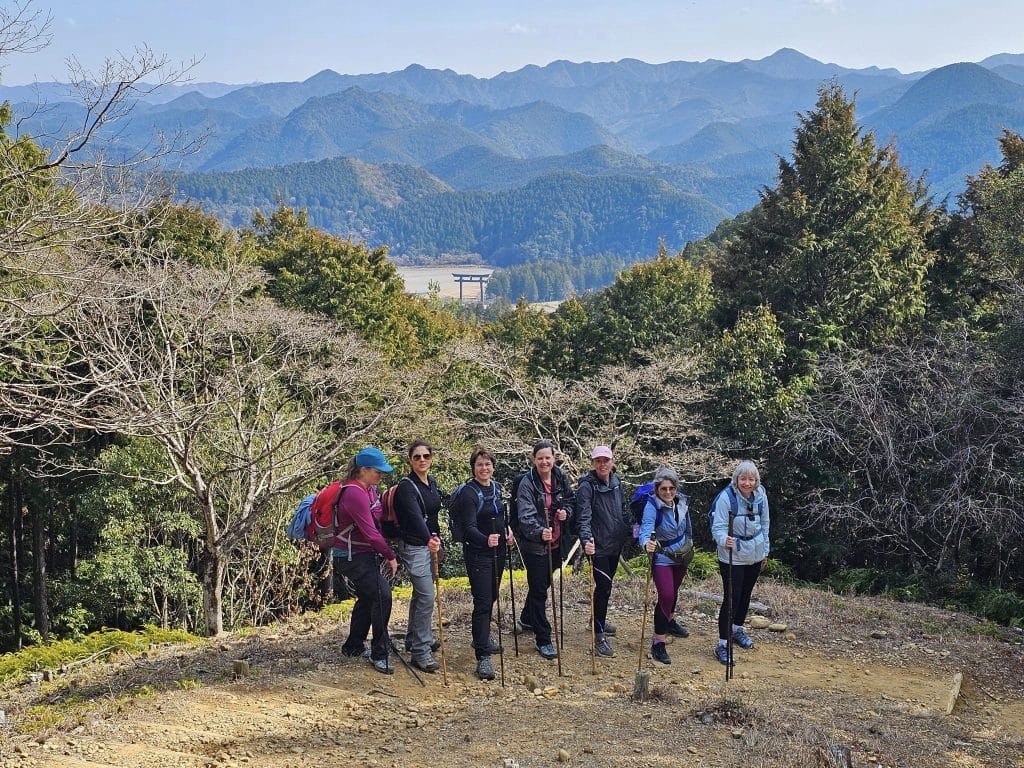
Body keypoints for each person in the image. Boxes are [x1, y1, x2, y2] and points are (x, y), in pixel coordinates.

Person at [331, 446, 399, 674]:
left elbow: (376, 517)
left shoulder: (368, 488)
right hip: (351, 556)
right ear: (364, 469)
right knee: (382, 595)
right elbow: (370, 532)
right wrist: (390, 556)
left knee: (369, 596)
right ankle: (380, 653)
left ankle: (353, 646)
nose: (381, 475)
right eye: (377, 471)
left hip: (362, 553)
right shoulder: (354, 493)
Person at [450, 446, 514, 680]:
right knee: (483, 601)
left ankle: (483, 636)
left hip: (497, 552)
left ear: (493, 467)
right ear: (473, 468)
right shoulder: (469, 493)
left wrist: (507, 531)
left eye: (487, 464)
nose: (484, 468)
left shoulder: (496, 488)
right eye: (479, 465)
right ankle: (483, 656)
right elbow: (468, 529)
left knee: (493, 596)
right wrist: (486, 539)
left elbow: (500, 517)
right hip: (478, 554)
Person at [515, 439, 575, 660]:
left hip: (558, 542)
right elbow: (525, 515)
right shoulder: (527, 483)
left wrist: (565, 512)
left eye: (547, 457)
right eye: (540, 458)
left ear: (554, 458)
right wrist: (540, 531)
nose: (544, 461)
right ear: (534, 459)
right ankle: (543, 638)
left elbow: (570, 500)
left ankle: (527, 617)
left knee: (544, 583)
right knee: (539, 590)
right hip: (535, 545)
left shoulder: (560, 476)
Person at [710, 460, 770, 665]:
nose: (747, 483)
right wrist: (722, 539)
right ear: (736, 479)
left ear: (756, 480)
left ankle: (737, 629)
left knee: (745, 595)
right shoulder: (726, 498)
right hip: (732, 555)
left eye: (751, 479)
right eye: (743, 478)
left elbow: (765, 524)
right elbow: (718, 525)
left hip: (754, 553)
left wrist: (765, 550)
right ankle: (722, 644)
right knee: (732, 598)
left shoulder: (761, 496)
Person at [393, 439, 443, 673]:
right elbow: (413, 517)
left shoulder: (431, 482)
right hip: (414, 547)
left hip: (428, 546)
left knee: (421, 595)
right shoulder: (406, 487)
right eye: (417, 457)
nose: (422, 460)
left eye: (425, 456)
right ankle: (420, 652)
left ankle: (414, 638)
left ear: (431, 458)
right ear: (410, 460)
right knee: (427, 597)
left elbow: (432, 516)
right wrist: (428, 540)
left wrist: (437, 540)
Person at [576, 445, 630, 657]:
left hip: (615, 545)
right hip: (597, 547)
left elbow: (623, 510)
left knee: (605, 588)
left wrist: (631, 531)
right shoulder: (587, 487)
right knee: (604, 587)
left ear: (612, 462)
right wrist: (586, 540)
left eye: (605, 460)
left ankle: (596, 619)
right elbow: (583, 517)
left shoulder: (616, 482)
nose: (602, 464)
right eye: (598, 461)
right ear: (593, 463)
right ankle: (599, 635)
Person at [638, 465, 694, 665]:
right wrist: (647, 544)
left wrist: (690, 544)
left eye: (671, 488)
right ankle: (658, 641)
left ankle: (669, 621)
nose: (668, 492)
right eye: (664, 489)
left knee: (675, 590)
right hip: (662, 556)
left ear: (676, 488)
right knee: (666, 595)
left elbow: (687, 527)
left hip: (682, 554)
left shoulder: (682, 502)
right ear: (657, 490)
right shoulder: (652, 506)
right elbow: (645, 529)